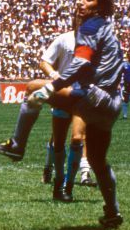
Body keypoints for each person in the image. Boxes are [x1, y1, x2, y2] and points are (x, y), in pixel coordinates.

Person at [0, 0, 124, 228]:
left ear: (99, 7)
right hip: (111, 105)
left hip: (91, 97)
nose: (81, 2)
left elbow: (80, 63)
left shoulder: (91, 26)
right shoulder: (109, 29)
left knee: (32, 88)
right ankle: (112, 212)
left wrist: (53, 86)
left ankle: (17, 146)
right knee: (97, 159)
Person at [38, 11, 92, 202]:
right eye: (79, 17)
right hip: (63, 95)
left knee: (77, 138)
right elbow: (44, 62)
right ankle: (57, 180)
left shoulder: (96, 41)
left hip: (83, 97)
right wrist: (54, 76)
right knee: (58, 141)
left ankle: (69, 185)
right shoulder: (63, 39)